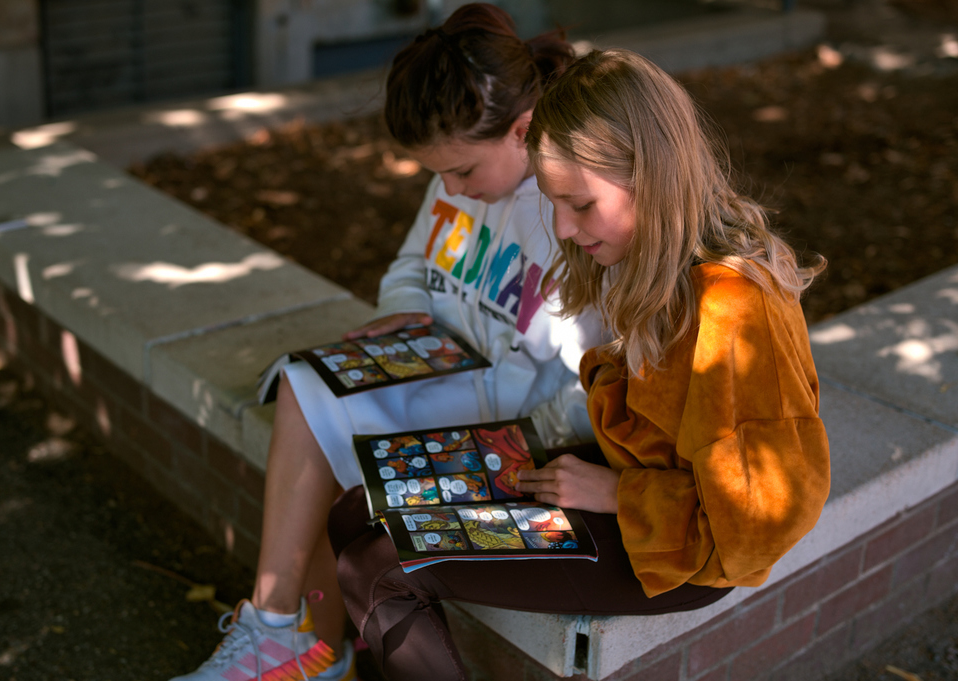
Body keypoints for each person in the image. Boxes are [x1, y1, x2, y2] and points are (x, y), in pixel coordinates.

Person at [329, 48, 832, 681]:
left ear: (654, 178)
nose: (565, 229)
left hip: (675, 552)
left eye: (582, 204)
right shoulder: (646, 260)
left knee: (378, 569)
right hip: (618, 482)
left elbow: (762, 519)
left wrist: (618, 494)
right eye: (554, 203)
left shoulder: (734, 307)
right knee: (355, 510)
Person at [171, 6, 601, 681]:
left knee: (336, 450)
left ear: (523, 130)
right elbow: (409, 267)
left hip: (517, 425)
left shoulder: (573, 216)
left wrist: (526, 441)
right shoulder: (457, 176)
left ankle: (306, 649)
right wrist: (404, 311)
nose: (450, 189)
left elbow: (596, 376)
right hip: (443, 372)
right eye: (440, 173)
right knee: (305, 383)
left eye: (461, 170)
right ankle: (278, 628)